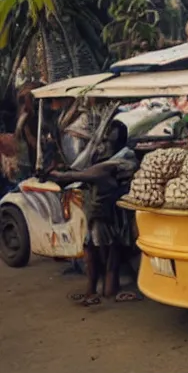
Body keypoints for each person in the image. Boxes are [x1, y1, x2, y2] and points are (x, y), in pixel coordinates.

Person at [49, 118, 141, 306]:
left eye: (108, 141)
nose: (104, 144)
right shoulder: (109, 155)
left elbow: (93, 174)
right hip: (99, 212)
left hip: (111, 214)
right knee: (93, 250)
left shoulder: (124, 157)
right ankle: (94, 290)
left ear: (118, 142)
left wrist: (64, 176)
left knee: (108, 254)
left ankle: (106, 292)